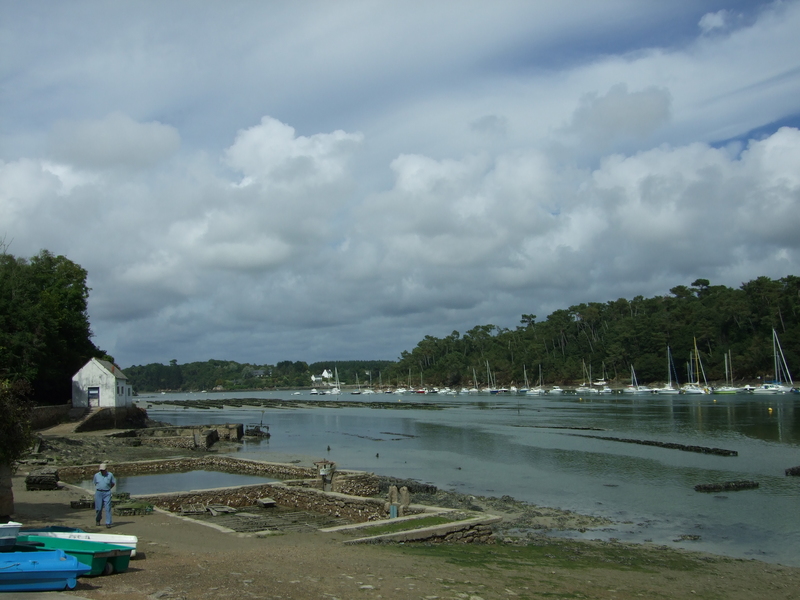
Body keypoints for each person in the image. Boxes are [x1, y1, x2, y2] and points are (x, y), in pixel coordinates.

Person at [93, 462, 116, 528]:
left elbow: (113, 483)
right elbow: (95, 483)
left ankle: (108, 522)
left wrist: (108, 488)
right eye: (101, 470)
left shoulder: (110, 475)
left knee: (108, 508)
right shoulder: (96, 475)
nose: (102, 471)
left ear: (106, 469)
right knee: (98, 508)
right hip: (99, 492)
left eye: (103, 470)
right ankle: (98, 520)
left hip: (107, 492)